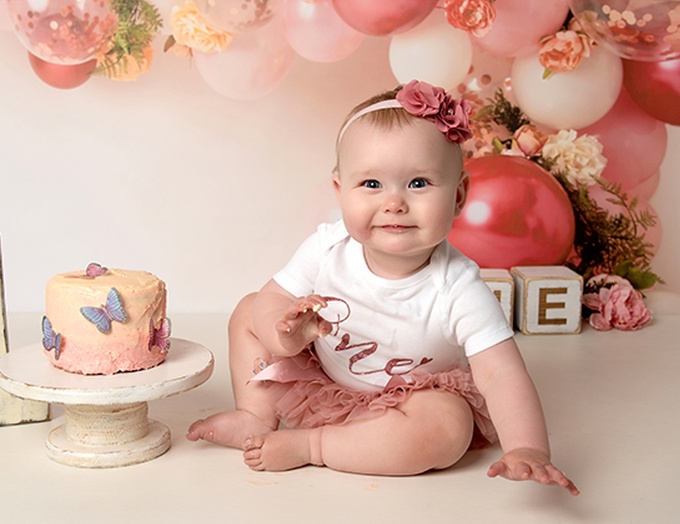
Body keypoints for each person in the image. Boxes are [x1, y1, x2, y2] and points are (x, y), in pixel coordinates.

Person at [187, 80, 579, 496]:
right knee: (250, 309)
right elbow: (272, 299)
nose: (394, 203)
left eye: (418, 183)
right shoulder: (329, 246)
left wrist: (528, 447)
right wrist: (284, 335)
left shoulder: (459, 286)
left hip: (411, 400)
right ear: (341, 192)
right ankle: (255, 415)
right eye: (372, 185)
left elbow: (501, 374)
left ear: (459, 195)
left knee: (448, 428)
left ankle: (315, 446)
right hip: (325, 380)